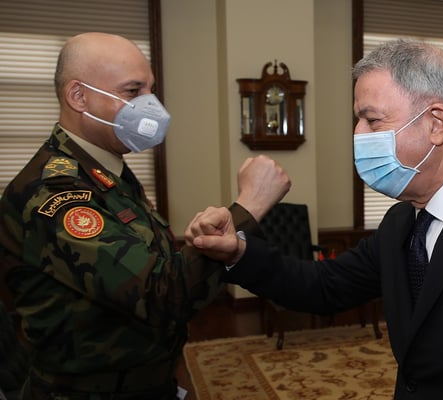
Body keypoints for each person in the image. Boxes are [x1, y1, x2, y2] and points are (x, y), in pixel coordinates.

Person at [186, 39, 443, 400]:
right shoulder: (402, 222)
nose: (358, 133)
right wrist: (239, 252)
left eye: (372, 119)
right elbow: (323, 287)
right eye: (357, 119)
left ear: (436, 123)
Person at [0, 32, 290, 399]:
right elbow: (159, 294)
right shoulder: (55, 192)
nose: (151, 105)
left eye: (151, 90)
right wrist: (250, 205)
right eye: (133, 91)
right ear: (78, 96)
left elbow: (153, 267)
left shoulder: (106, 171)